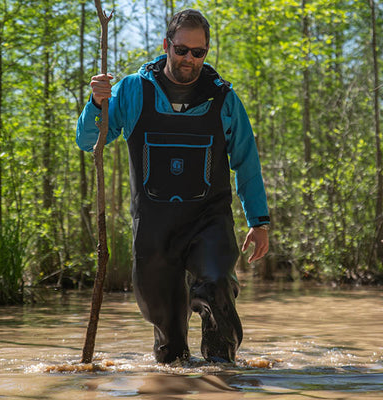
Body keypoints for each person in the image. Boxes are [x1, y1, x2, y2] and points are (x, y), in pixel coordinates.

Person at [76, 9, 270, 364]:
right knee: (170, 351)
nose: (189, 59)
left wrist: (259, 222)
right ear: (167, 46)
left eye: (199, 52)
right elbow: (90, 140)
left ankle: (223, 375)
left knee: (217, 290)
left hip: (209, 221)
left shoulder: (223, 98)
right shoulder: (134, 90)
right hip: (153, 228)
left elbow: (246, 160)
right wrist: (96, 104)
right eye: (182, 50)